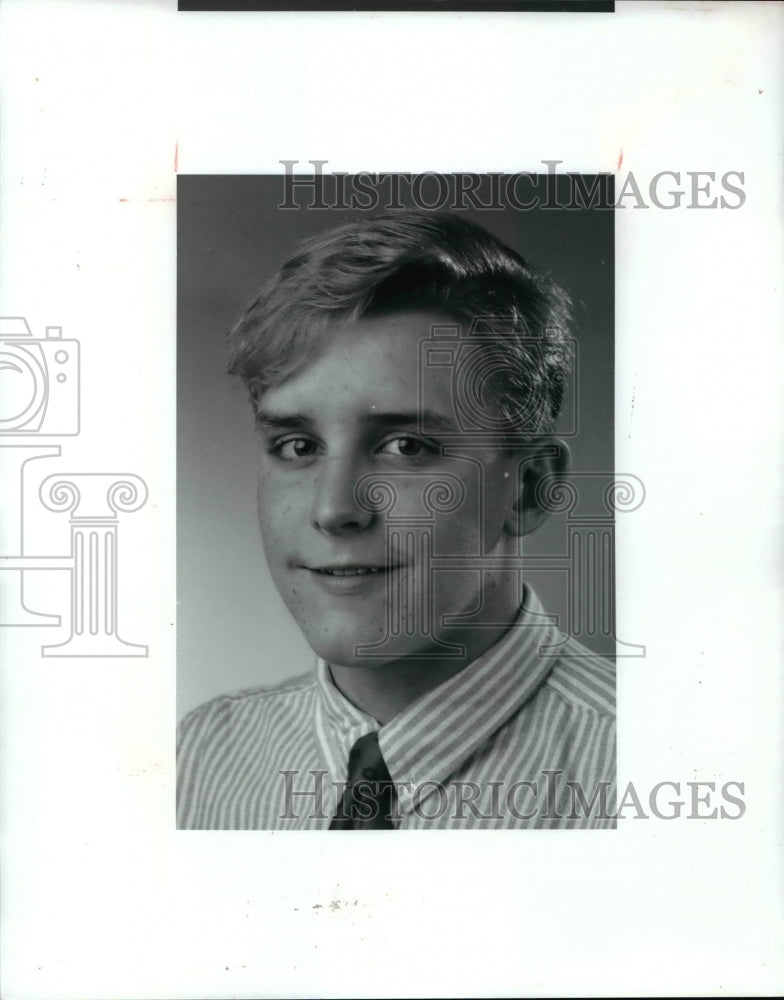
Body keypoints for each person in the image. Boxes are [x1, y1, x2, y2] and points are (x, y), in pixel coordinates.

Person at [177, 210, 616, 830]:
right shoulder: (199, 758)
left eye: (407, 447)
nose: (334, 510)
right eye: (298, 446)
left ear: (529, 489)